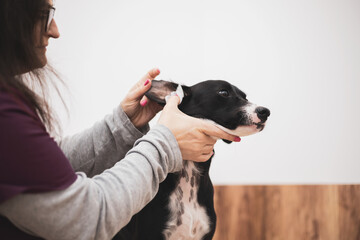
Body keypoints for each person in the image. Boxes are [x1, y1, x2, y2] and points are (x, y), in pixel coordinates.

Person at [0, 0, 240, 239]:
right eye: (44, 14)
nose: (55, 30)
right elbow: (86, 219)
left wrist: (123, 126)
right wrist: (165, 143)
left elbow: (45, 167)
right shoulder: (5, 114)